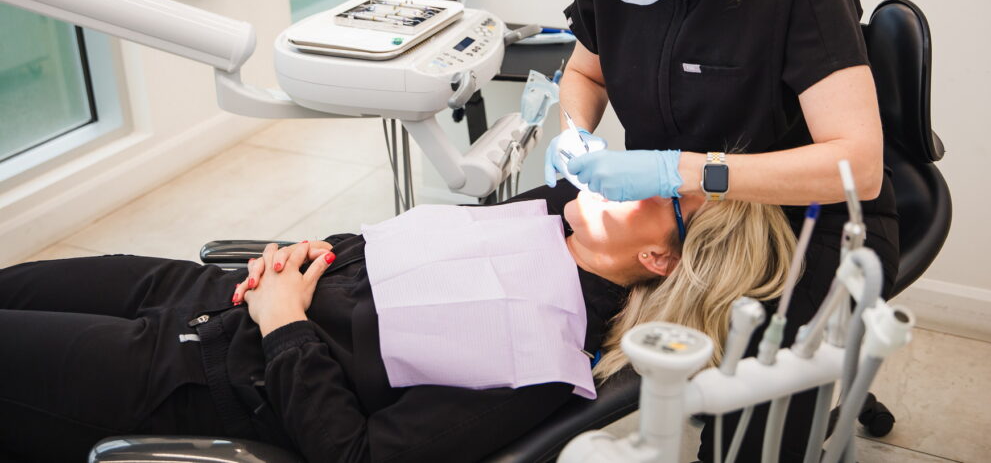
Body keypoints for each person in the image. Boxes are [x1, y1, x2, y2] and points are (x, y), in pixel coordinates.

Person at [544, 0, 900, 462]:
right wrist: (575, 130)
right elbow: (585, 69)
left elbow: (859, 164)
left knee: (752, 422)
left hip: (801, 215)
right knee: (530, 245)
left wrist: (689, 171)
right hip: (673, 203)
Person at [0, 187, 794, 463]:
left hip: (190, 378)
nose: (628, 169)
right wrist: (324, 255)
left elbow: (356, 455)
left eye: (659, 188)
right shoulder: (544, 222)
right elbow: (395, 259)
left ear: (660, 256)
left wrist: (284, 328)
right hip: (201, 290)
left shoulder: (540, 356)